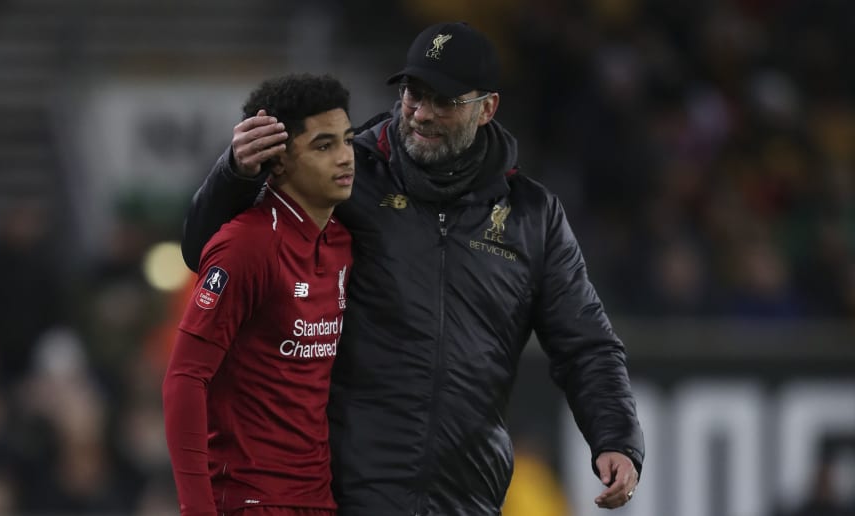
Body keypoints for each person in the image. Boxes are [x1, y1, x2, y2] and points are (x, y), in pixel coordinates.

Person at [181, 22, 644, 516]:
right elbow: (208, 250)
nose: (421, 113)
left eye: (443, 101)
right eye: (413, 94)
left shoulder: (533, 216)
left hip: (466, 498)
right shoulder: (350, 175)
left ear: (487, 108)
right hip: (346, 494)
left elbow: (586, 344)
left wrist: (616, 437)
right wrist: (234, 174)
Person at [163, 73, 355, 516]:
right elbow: (184, 378)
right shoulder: (247, 245)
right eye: (324, 146)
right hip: (250, 500)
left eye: (347, 140)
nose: (346, 157)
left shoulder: (342, 242)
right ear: (279, 161)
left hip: (318, 500)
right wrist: (197, 509)